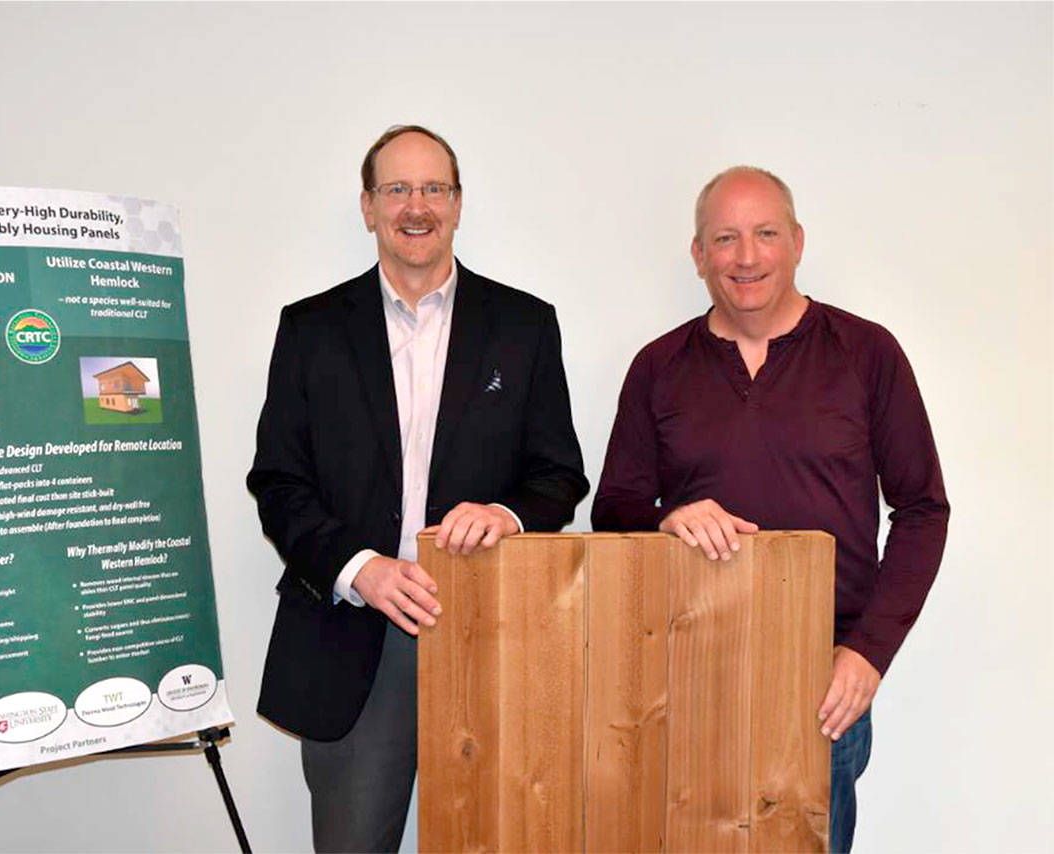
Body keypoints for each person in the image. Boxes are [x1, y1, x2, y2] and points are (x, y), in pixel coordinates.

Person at [249, 125, 588, 853]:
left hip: (494, 636)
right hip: (353, 638)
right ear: (367, 207)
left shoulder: (525, 326)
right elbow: (278, 480)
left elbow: (559, 476)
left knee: (501, 840)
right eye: (396, 189)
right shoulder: (309, 330)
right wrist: (357, 569)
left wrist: (506, 512)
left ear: (459, 204)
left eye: (434, 188)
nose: (416, 205)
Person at [591, 166, 948, 853]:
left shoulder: (868, 354)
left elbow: (923, 510)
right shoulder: (658, 366)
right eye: (724, 238)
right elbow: (614, 508)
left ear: (797, 242)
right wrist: (666, 516)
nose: (746, 257)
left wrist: (868, 654)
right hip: (680, 672)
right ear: (698, 254)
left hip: (819, 676)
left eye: (764, 234)